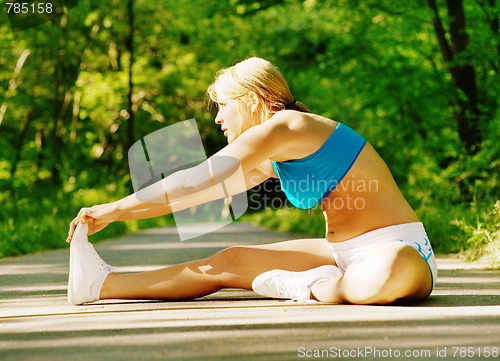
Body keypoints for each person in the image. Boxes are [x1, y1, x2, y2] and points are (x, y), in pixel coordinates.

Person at [66, 57, 437, 306]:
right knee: (231, 259)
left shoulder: (290, 125)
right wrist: (112, 214)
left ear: (253, 99)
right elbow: (191, 195)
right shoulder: (274, 157)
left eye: (223, 105)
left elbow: (201, 175)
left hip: (397, 249)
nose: (217, 119)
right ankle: (101, 285)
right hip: (342, 256)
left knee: (389, 269)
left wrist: (113, 208)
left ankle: (312, 287)